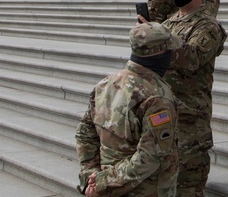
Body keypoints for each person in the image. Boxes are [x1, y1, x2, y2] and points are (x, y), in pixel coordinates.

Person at [75, 22, 183, 197]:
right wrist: (102, 182)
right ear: (160, 54)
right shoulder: (157, 97)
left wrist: (91, 176)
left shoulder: (105, 84)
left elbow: (85, 134)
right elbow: (150, 157)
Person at [160, 0, 226, 197]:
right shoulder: (168, 23)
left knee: (188, 187)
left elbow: (193, 58)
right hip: (163, 114)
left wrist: (159, 40)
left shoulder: (208, 25)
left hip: (190, 118)